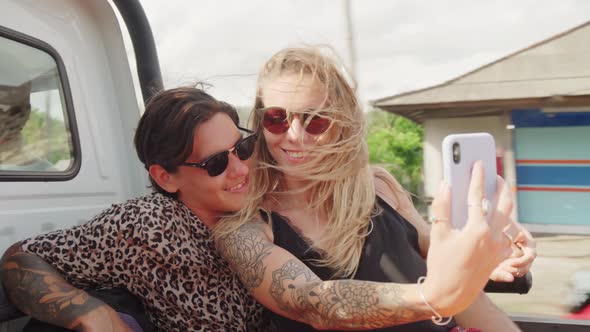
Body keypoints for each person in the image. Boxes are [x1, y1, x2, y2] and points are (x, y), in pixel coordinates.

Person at [214, 47, 537, 331]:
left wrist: (488, 253)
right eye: (277, 118)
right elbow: (314, 304)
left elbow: (437, 255)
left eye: (315, 120)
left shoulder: (377, 185)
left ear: (342, 121)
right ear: (260, 121)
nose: (295, 135)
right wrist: (435, 296)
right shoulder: (245, 229)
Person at [0, 87, 264, 331]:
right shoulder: (145, 226)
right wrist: (89, 312)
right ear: (165, 178)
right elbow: (22, 256)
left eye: (242, 147)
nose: (241, 169)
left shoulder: (266, 205)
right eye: (215, 163)